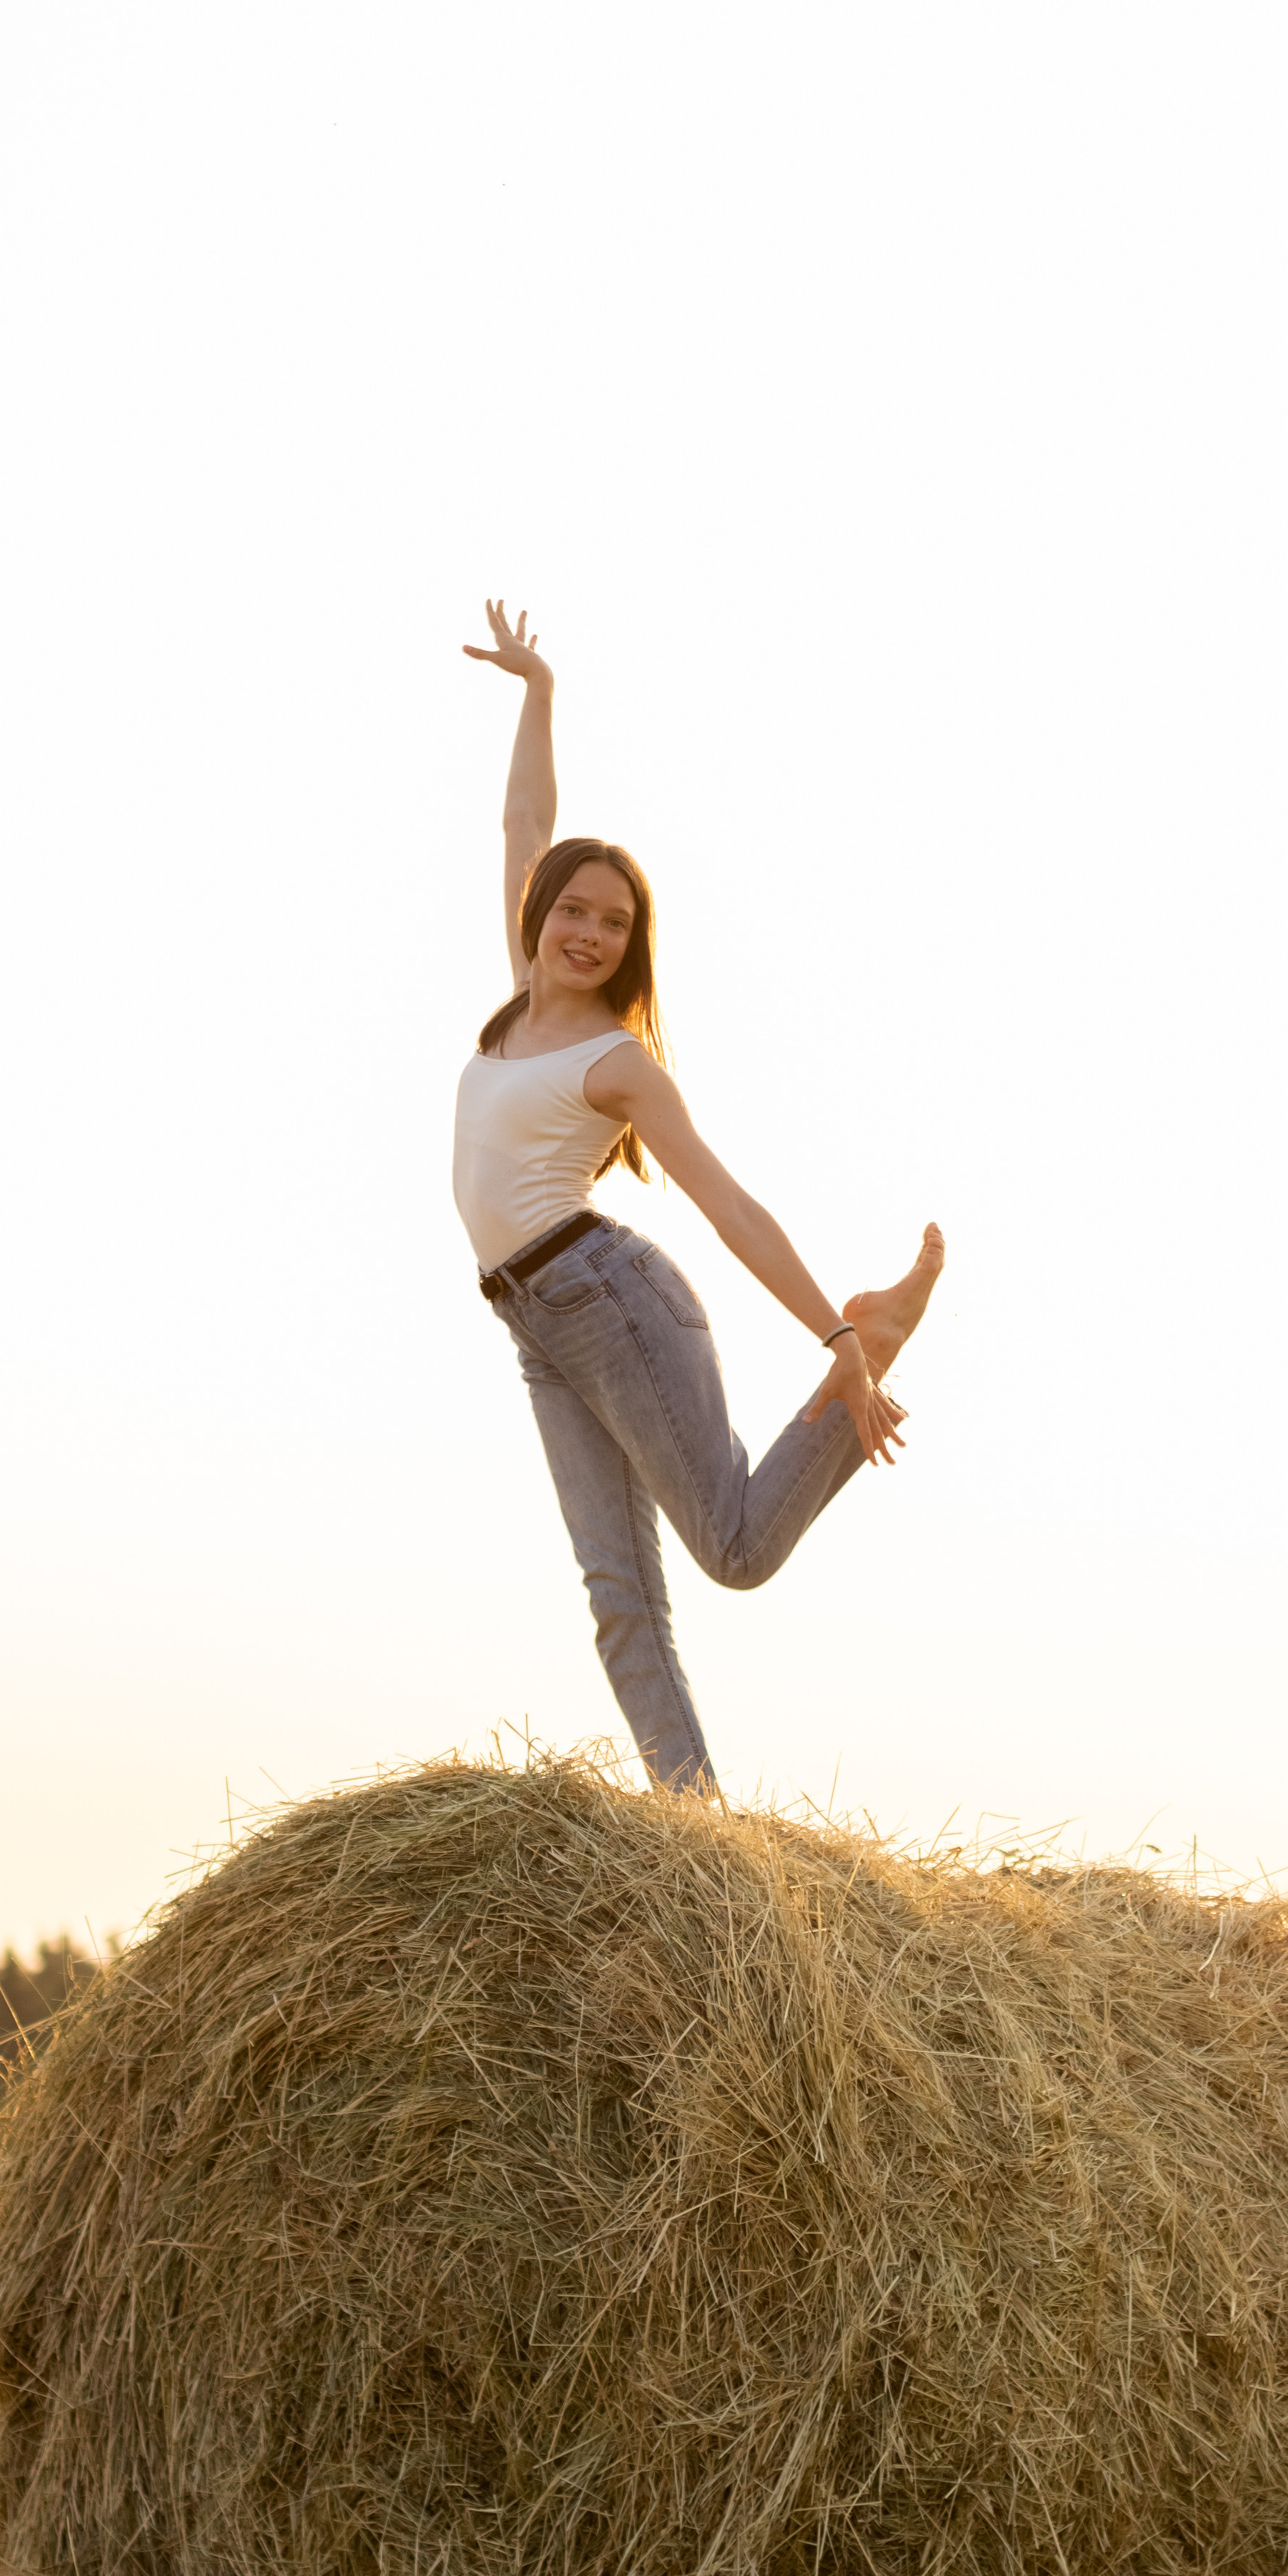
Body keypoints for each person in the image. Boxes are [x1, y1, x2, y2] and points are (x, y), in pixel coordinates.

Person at [455, 598, 945, 1793]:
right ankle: (695, 1826)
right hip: (534, 1322)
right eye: (574, 910)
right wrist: (541, 694)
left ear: (633, 948)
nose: (588, 932)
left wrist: (833, 1330)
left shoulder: (617, 1063)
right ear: (541, 914)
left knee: (731, 1550)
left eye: (615, 925)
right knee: (617, 1595)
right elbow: (526, 820)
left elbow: (730, 1206)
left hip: (607, 1297)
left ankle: (869, 1346)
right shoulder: (518, 1001)